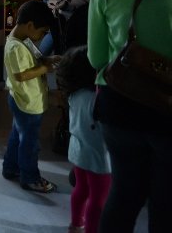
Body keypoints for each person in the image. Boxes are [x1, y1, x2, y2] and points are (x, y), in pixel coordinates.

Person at [88, 0, 172, 232]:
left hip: (119, 104)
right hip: (166, 107)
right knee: (166, 201)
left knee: (124, 194)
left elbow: (97, 58)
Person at [1, 0, 60, 193]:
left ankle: (11, 168)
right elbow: (21, 75)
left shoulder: (24, 39)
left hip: (21, 99)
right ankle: (30, 177)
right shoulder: (15, 47)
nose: (42, 36)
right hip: (27, 102)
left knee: (17, 136)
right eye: (42, 32)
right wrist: (45, 68)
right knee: (30, 143)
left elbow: (35, 58)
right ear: (30, 25)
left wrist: (48, 60)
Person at [56, 45, 111, 233]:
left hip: (79, 151)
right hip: (99, 158)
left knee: (81, 189)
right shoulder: (99, 99)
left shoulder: (74, 95)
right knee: (98, 198)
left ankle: (76, 224)